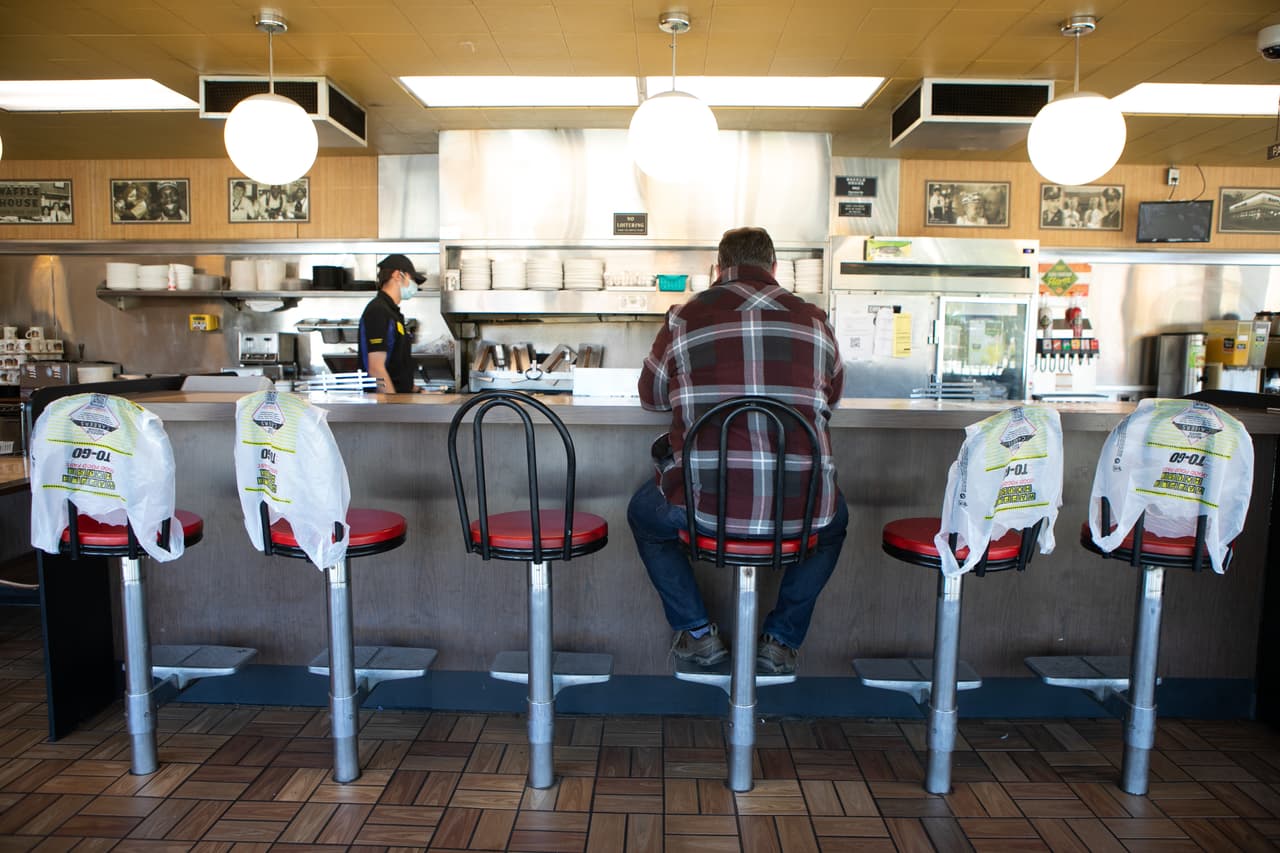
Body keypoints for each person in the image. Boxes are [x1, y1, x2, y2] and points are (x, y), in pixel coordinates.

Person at [628, 226, 848, 676]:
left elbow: (650, 398)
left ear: (716, 269)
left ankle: (697, 633)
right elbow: (833, 398)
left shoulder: (683, 316)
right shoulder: (815, 319)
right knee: (834, 523)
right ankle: (781, 640)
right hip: (800, 510)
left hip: (702, 509)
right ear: (775, 269)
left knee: (643, 517)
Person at [358, 254, 426, 394]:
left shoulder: (392, 313)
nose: (414, 286)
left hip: (398, 400)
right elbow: (376, 368)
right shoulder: (378, 311)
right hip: (385, 406)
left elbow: (396, 366)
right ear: (397, 275)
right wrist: (392, 406)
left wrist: (417, 391)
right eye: (412, 279)